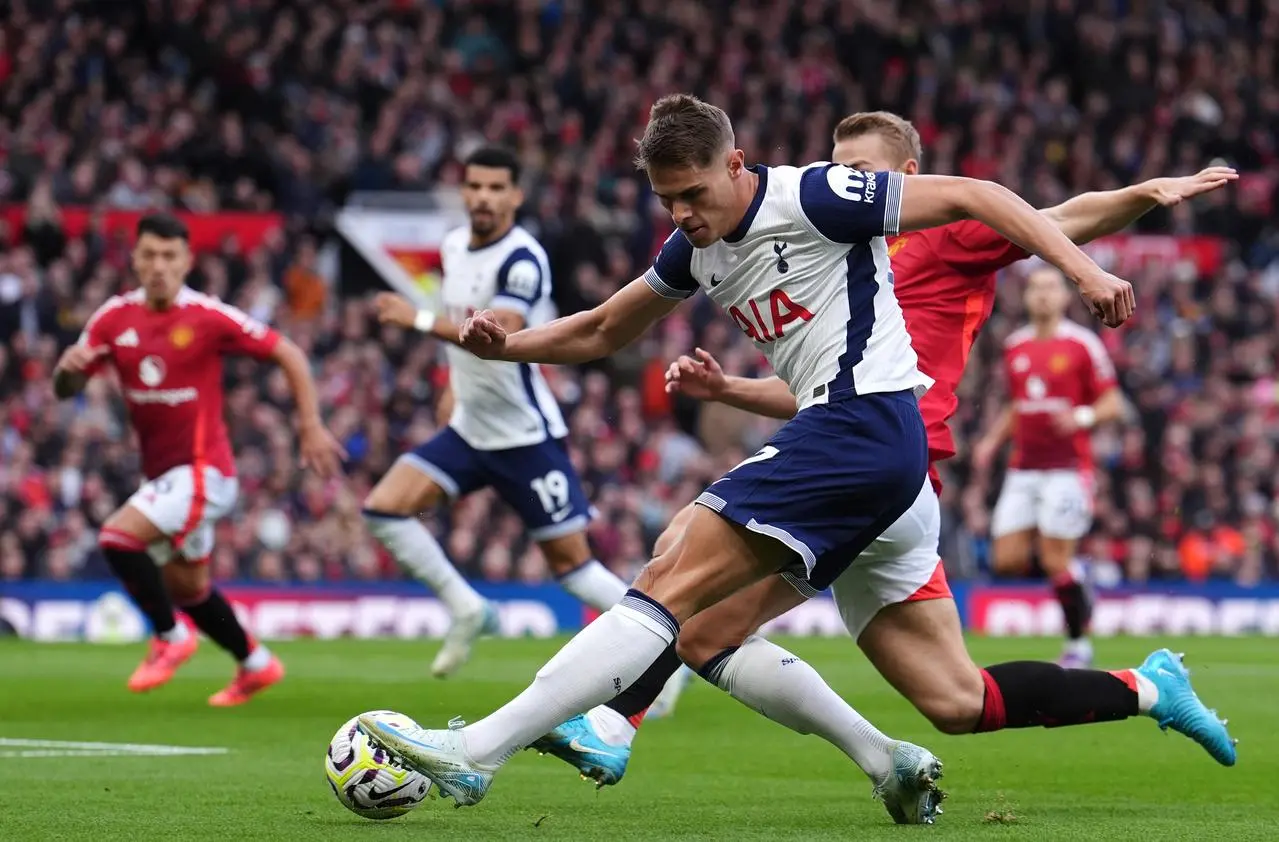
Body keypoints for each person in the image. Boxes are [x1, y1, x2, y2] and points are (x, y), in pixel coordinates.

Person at [358, 94, 1153, 820]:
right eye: (667, 199)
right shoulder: (693, 248)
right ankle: (889, 760)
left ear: (733, 165)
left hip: (861, 428)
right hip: (872, 459)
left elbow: (980, 196)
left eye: (694, 193)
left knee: (669, 579)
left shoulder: (812, 195)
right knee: (716, 629)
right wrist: (509, 347)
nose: (682, 213)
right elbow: (602, 329)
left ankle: (483, 751)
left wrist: (1084, 274)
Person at [527, 111, 1237, 799]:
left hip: (885, 459)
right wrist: (729, 389)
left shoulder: (941, 237)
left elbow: (1060, 215)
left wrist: (1141, 195)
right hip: (855, 457)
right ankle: (1147, 688)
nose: (843, 182)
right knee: (959, 701)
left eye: (859, 171)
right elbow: (816, 384)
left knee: (689, 563)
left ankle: (614, 723)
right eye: (836, 169)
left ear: (905, 174)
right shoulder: (828, 246)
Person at [364, 146, 638, 677]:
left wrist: (416, 320)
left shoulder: (523, 258)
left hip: (523, 436)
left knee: (575, 572)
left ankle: (662, 645)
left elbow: (501, 334)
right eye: (475, 186)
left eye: (496, 188)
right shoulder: (452, 247)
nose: (484, 197)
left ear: (515, 195)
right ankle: (468, 608)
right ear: (463, 192)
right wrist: (451, 391)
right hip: (470, 428)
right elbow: (458, 331)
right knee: (384, 509)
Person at [51, 213, 346, 705]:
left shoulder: (208, 315)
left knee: (118, 538)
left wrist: (310, 425)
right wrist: (67, 372)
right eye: (149, 255)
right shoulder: (113, 318)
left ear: (187, 260)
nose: (159, 266)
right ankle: (256, 663)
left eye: (170, 256)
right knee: (189, 588)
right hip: (166, 476)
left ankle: (169, 637)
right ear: (135, 259)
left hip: (206, 472)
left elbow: (289, 352)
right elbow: (66, 388)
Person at [973, 266, 1125, 667]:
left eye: (1050, 288)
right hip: (1024, 468)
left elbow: (1112, 403)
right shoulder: (1015, 346)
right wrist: (991, 442)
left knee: (1055, 558)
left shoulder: (1082, 345)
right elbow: (1016, 406)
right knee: (1005, 559)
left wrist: (1080, 418)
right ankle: (1077, 579)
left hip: (1068, 468)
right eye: (1035, 289)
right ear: (1026, 299)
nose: (1042, 295)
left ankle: (1078, 644)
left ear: (1063, 298)